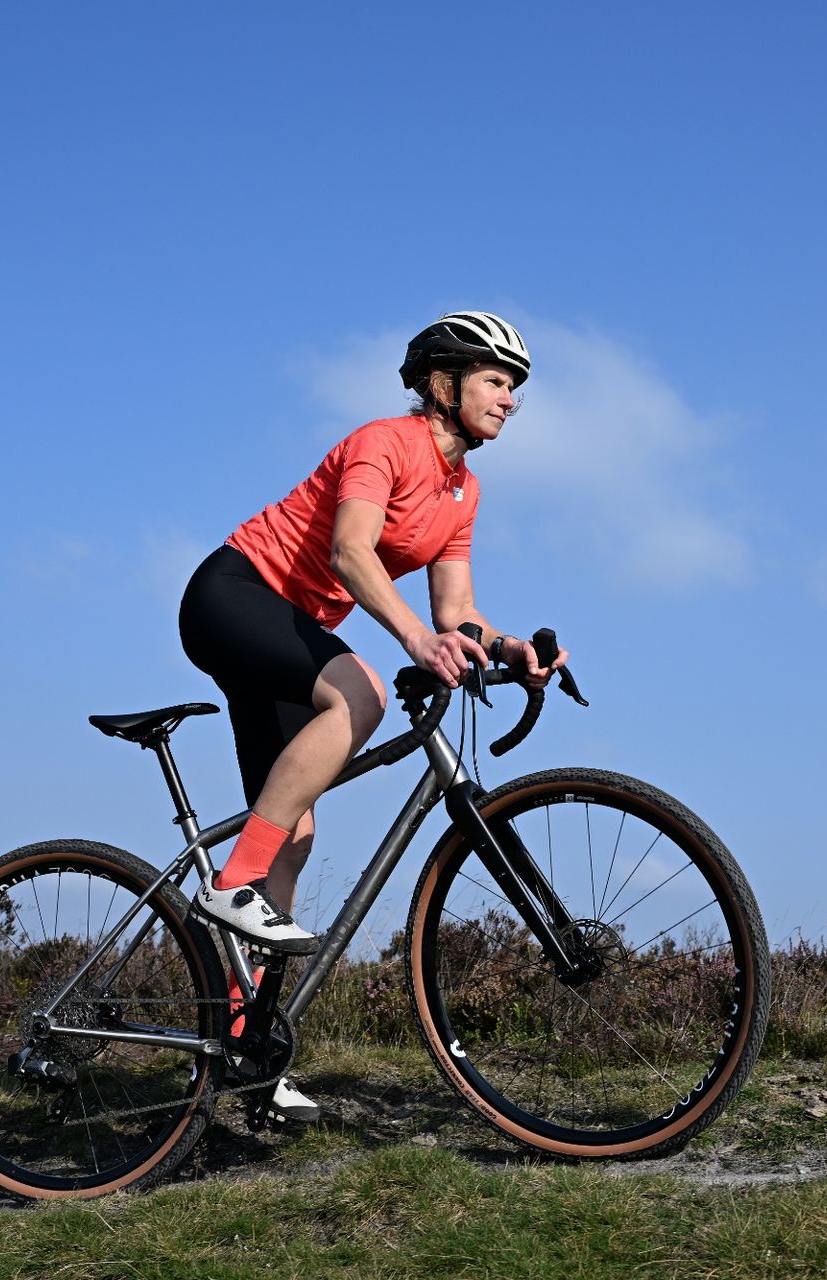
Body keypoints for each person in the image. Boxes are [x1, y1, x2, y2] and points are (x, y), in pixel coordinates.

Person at [178, 311, 568, 1121]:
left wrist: (508, 649)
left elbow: (456, 609)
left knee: (297, 832)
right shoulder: (383, 443)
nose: (511, 400)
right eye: (496, 381)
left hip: (290, 629)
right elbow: (350, 553)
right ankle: (232, 880)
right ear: (442, 383)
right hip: (234, 595)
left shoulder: (464, 490)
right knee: (361, 693)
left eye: (515, 387)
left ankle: (243, 1057)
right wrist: (417, 642)